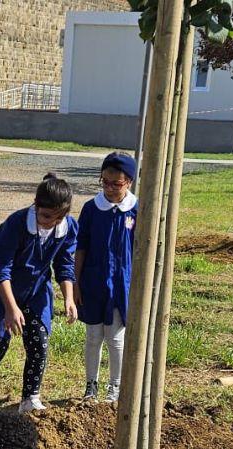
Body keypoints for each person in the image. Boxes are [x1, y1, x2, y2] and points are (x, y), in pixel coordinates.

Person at [0, 175, 78, 418]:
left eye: (58, 218)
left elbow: (64, 264)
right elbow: (1, 268)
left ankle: (30, 398)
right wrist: (10, 308)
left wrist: (68, 298)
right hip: (4, 290)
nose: (52, 222)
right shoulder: (17, 224)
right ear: (36, 206)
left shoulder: (67, 227)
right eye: (46, 216)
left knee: (39, 341)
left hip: (37, 291)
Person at [77, 153, 138, 403]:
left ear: (130, 182)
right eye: (105, 182)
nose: (110, 188)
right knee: (93, 337)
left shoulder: (136, 209)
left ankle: (115, 386)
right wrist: (76, 282)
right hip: (93, 283)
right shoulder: (92, 209)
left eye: (117, 183)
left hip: (122, 286)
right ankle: (91, 385)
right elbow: (81, 247)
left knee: (115, 337)